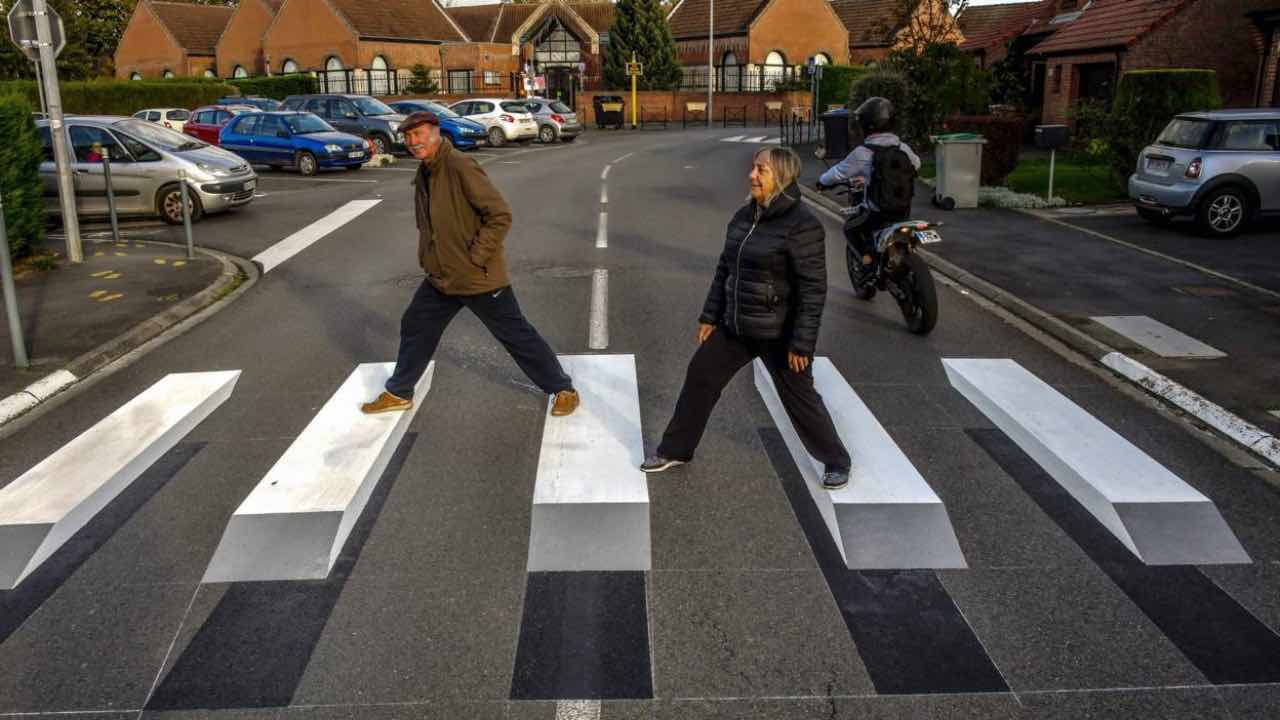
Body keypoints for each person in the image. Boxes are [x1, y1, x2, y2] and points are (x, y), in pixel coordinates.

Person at [641, 146, 852, 490]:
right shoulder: (745, 215)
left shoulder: (802, 225)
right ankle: (676, 450)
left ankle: (836, 461)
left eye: (761, 171)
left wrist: (801, 342)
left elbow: (813, 290)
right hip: (737, 326)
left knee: (800, 399)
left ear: (781, 178)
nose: (752, 175)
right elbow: (726, 268)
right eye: (754, 169)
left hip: (780, 333)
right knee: (701, 376)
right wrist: (710, 315)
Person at [361, 111, 579, 417]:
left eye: (419, 134)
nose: (413, 142)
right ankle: (400, 391)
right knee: (416, 325)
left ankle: (562, 389)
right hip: (441, 275)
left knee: (516, 335)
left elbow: (499, 215)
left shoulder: (459, 165)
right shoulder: (426, 170)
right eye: (408, 137)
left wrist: (476, 257)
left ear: (436, 132)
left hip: (477, 277)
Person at [816, 97, 921, 272]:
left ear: (866, 124)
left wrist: (821, 182)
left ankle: (868, 261)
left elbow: (837, 173)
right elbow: (917, 165)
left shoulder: (863, 153)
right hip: (903, 210)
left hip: (877, 212)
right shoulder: (903, 148)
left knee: (850, 228)